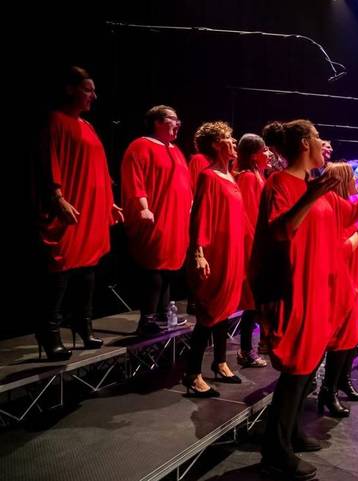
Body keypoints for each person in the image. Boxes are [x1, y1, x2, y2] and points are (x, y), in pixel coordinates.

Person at [250, 119, 358, 480]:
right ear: (305, 143)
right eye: (319, 138)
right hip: (295, 289)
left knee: (307, 368)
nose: (324, 145)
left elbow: (353, 213)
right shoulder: (280, 183)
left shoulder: (315, 187)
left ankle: (289, 433)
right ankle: (275, 452)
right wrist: (311, 195)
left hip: (318, 290)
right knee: (295, 372)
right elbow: (281, 229)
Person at [37, 66, 124, 360]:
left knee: (88, 267)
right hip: (70, 206)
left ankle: (82, 324)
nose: (93, 96)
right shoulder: (55, 120)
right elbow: (49, 160)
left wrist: (109, 202)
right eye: (88, 90)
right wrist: (57, 195)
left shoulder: (88, 126)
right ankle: (48, 331)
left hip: (91, 208)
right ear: (70, 89)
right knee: (61, 265)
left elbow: (100, 168)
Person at [183, 122, 244, 398]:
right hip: (215, 252)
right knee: (209, 313)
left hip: (232, 250)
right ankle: (192, 374)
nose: (233, 141)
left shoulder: (232, 177)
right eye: (228, 138)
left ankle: (220, 362)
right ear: (216, 145)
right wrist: (199, 253)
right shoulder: (209, 177)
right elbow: (200, 216)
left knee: (226, 309)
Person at [121, 105, 192, 337]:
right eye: (174, 119)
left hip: (176, 219)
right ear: (157, 122)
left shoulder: (176, 151)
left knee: (169, 268)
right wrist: (143, 207)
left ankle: (164, 313)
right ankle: (147, 319)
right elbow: (134, 179)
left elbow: (186, 185)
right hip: (157, 216)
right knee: (155, 265)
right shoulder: (140, 146)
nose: (178, 124)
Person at [319, 162, 358, 417]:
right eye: (351, 176)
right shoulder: (332, 208)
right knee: (340, 338)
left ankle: (340, 382)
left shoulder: (346, 207)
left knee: (351, 335)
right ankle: (328, 392)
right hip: (341, 280)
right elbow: (341, 249)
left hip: (354, 276)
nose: (356, 180)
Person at [235, 133, 273, 368]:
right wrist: (258, 249)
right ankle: (246, 350)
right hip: (253, 248)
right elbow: (249, 217)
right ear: (254, 154)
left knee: (256, 302)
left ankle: (254, 346)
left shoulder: (259, 175)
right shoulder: (249, 178)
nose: (269, 154)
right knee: (251, 303)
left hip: (260, 246)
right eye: (265, 150)